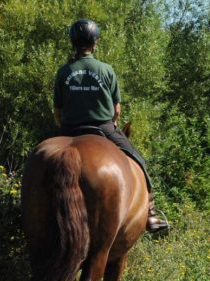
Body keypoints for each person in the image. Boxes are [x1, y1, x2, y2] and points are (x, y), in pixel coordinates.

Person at [53, 19, 169, 234]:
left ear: (73, 42)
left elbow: (57, 111)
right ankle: (151, 213)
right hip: (103, 129)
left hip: (68, 131)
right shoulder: (106, 70)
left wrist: (64, 126)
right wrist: (114, 123)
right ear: (95, 43)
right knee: (139, 161)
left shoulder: (64, 71)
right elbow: (116, 109)